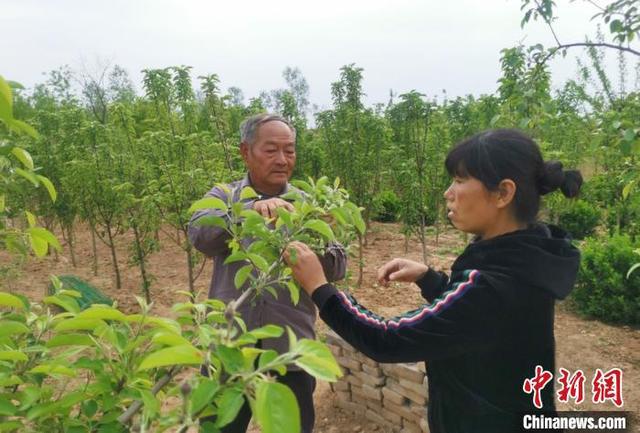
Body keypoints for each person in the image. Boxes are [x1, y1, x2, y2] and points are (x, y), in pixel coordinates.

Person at [284, 129, 583, 433]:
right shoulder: (527, 262)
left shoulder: (487, 286)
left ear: (503, 193)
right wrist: (429, 279)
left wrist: (320, 288)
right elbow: (478, 321)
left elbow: (386, 338)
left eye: (460, 180)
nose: (448, 192)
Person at [188, 113, 346, 433]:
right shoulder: (225, 197)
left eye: (289, 150)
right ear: (245, 152)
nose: (282, 159)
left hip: (289, 348)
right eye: (271, 150)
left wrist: (310, 239)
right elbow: (200, 234)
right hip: (230, 348)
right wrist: (249, 213)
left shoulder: (306, 205)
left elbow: (338, 265)